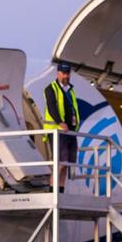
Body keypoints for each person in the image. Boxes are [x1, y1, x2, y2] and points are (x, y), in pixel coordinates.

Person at [43, 62, 81, 192]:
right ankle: (52, 188)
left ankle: (61, 189)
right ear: (58, 73)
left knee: (67, 163)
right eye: (63, 73)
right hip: (57, 130)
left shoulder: (70, 90)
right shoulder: (51, 88)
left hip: (70, 131)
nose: (66, 76)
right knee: (60, 161)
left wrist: (74, 127)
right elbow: (52, 107)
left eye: (68, 73)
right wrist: (60, 122)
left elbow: (73, 109)